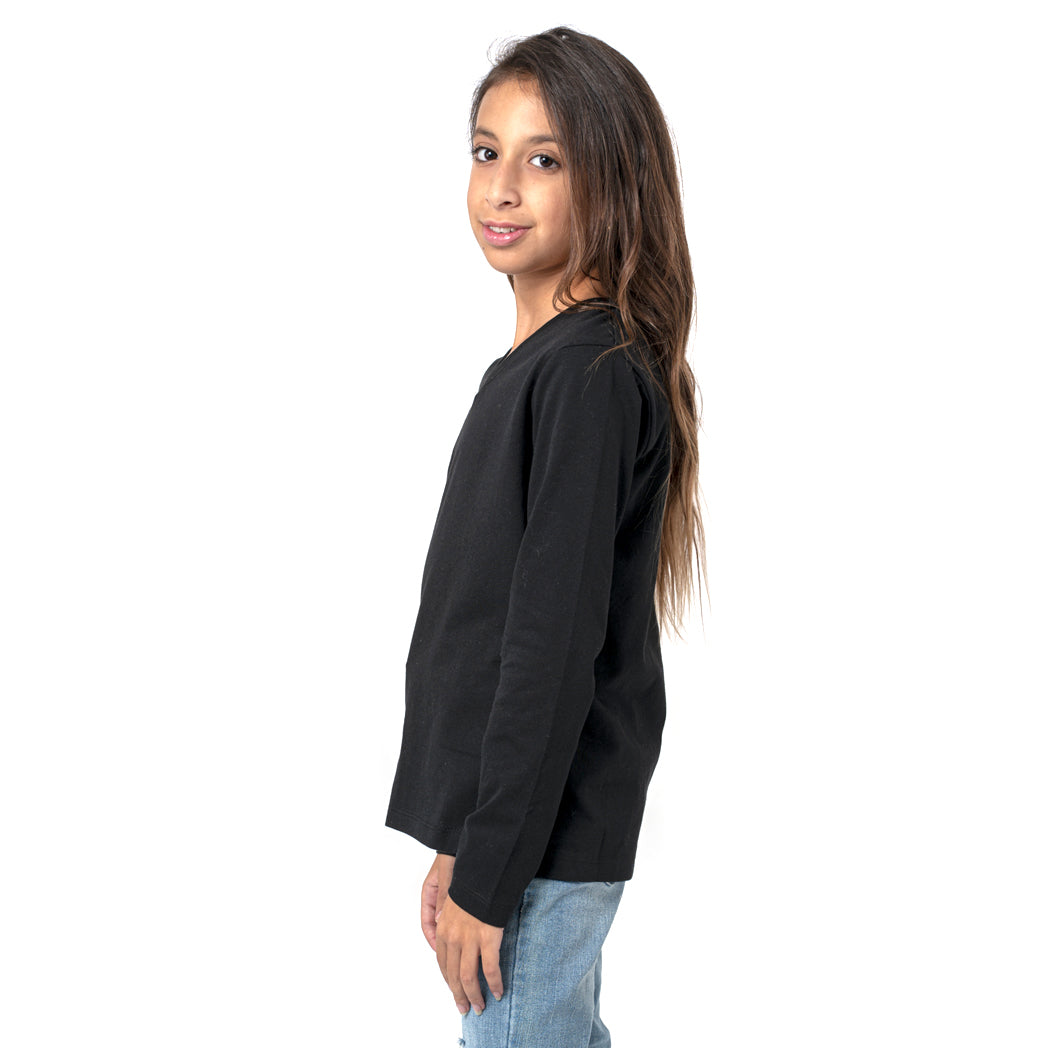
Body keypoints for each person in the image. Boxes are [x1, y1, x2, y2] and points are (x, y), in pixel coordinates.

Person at [385, 26, 707, 1048]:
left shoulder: (585, 376)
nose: (502, 187)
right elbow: (493, 627)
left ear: (610, 180)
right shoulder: (551, 369)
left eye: (545, 160)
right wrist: (462, 837)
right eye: (488, 151)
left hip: (541, 844)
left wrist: (492, 868)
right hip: (521, 836)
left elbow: (550, 652)